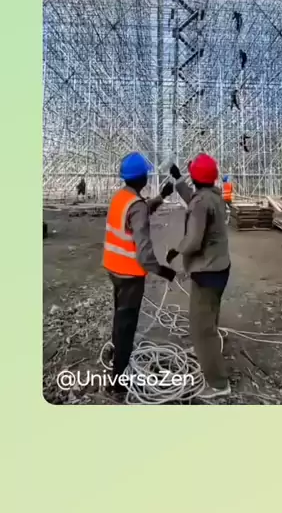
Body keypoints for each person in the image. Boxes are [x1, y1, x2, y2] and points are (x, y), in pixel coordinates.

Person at [103, 152, 175, 393]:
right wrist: (163, 271)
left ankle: (115, 352)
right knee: (127, 324)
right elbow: (144, 253)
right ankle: (118, 380)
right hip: (129, 275)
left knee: (120, 315)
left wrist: (162, 197)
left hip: (113, 268)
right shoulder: (136, 206)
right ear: (143, 178)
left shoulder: (121, 198)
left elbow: (139, 210)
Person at [167, 156, 231, 399]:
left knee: (201, 328)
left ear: (195, 177)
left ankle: (218, 383)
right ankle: (206, 352)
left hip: (207, 271)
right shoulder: (213, 196)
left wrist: (177, 249)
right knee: (209, 317)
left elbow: (194, 240)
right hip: (219, 268)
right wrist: (178, 180)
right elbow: (194, 200)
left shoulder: (201, 203)